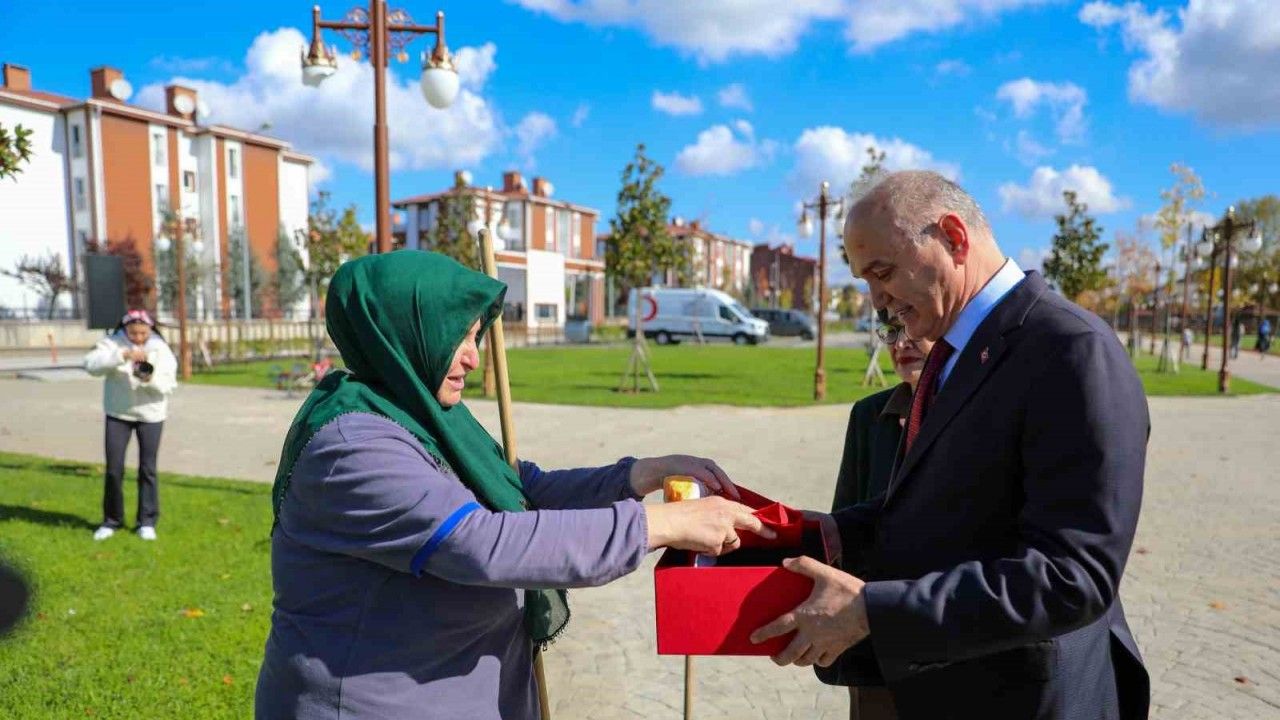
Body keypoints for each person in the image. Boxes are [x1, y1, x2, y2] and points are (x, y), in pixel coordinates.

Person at [255, 251, 771, 720]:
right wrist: (661, 525)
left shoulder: (424, 415)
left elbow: (522, 490)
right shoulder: (351, 446)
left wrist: (639, 475)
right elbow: (477, 542)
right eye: (457, 337)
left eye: (476, 336)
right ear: (406, 330)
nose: (473, 357)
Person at [752, 171, 1150, 719]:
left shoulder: (1071, 350)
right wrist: (827, 532)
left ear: (953, 237)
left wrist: (872, 612)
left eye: (883, 273)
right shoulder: (955, 351)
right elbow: (945, 504)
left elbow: (1071, 576)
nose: (877, 300)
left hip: (1029, 700)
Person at [816, 312, 934, 719]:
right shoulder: (868, 415)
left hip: (945, 631)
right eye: (891, 332)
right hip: (873, 643)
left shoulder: (972, 414)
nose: (900, 344)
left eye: (911, 327)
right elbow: (843, 523)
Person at [83, 309, 178, 541]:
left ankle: (146, 522)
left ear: (150, 330)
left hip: (151, 415)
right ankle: (111, 521)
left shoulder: (160, 348)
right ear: (125, 329)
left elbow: (168, 385)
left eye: (143, 333)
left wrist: (146, 376)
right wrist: (121, 355)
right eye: (133, 333)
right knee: (114, 469)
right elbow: (90, 365)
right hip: (118, 414)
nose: (138, 337)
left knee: (148, 469)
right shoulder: (112, 344)